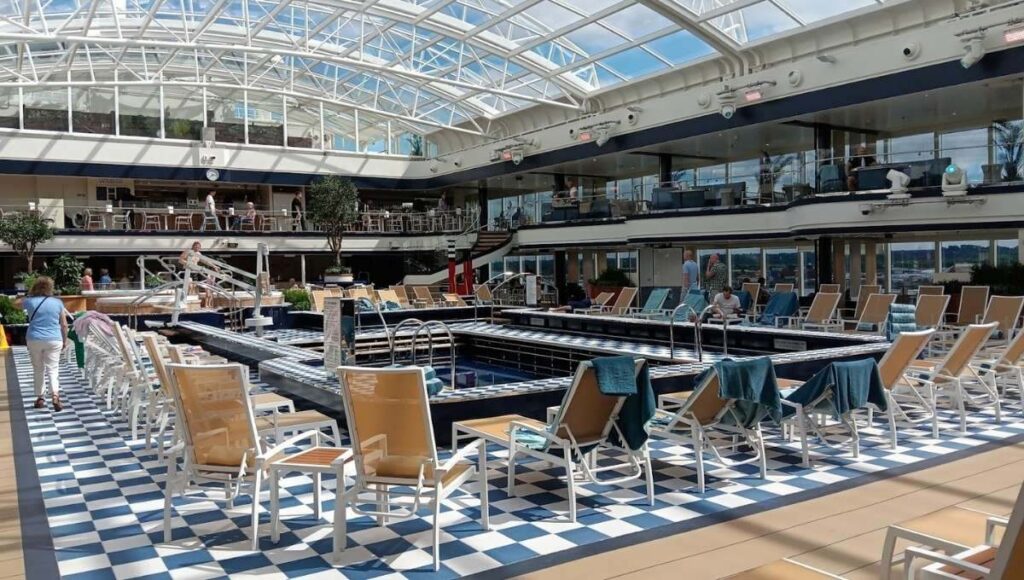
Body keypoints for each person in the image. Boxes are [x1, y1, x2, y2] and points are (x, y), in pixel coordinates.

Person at [23, 276, 69, 411]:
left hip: (34, 338)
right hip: (54, 339)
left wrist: (29, 294)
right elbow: (64, 324)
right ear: (50, 288)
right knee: (53, 368)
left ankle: (40, 398)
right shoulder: (58, 302)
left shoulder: (29, 302)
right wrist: (64, 340)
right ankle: (55, 395)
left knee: (38, 369)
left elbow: (15, 303)